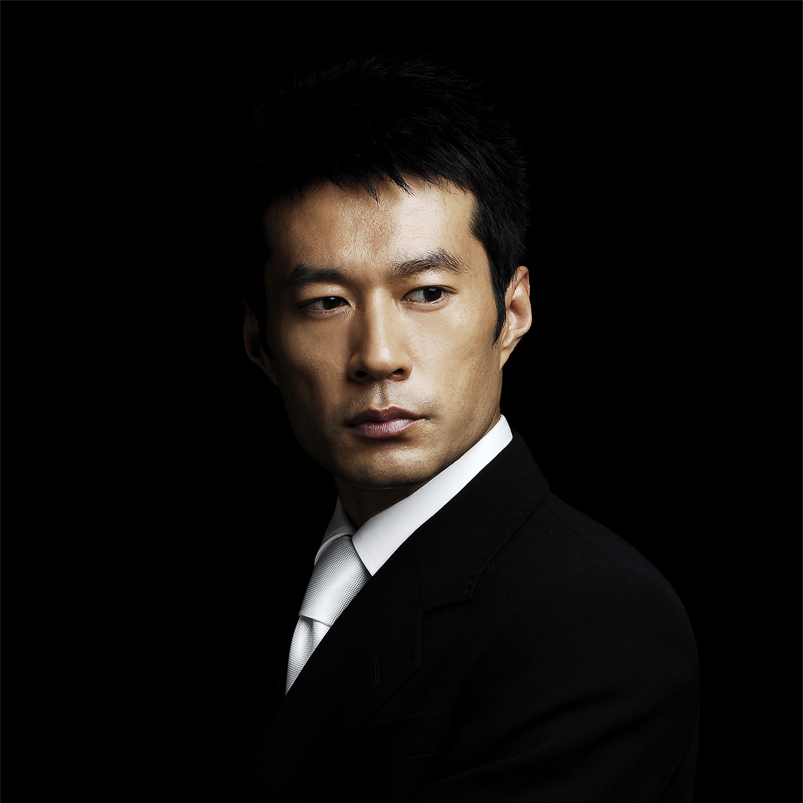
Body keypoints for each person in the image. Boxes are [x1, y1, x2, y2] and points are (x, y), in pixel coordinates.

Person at [231, 55, 699, 802]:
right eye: (326, 302)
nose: (377, 355)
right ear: (260, 342)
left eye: (425, 292)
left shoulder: (599, 619)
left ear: (510, 312)